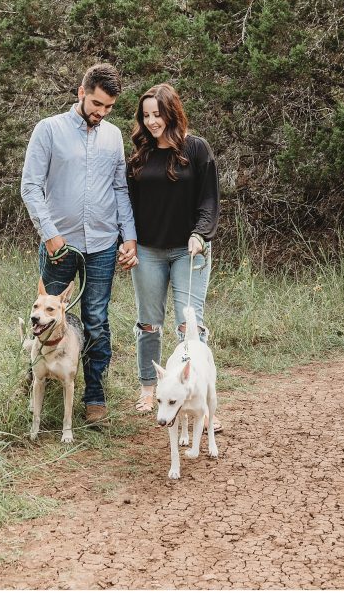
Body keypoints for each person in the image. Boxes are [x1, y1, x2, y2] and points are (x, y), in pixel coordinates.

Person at [21, 62, 138, 426]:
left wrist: (129, 236)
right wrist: (50, 234)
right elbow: (30, 186)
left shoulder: (113, 136)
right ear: (81, 92)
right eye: (97, 104)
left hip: (102, 244)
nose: (101, 112)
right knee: (46, 316)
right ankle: (36, 381)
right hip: (59, 246)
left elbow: (119, 189)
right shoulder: (49, 129)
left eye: (109, 107)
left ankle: (94, 397)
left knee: (96, 321)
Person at [126, 83, 220, 431]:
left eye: (157, 114)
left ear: (172, 113)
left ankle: (201, 401)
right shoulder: (139, 155)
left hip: (188, 248)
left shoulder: (196, 149)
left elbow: (209, 199)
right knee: (149, 324)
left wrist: (200, 233)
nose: (152, 122)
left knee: (189, 325)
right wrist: (127, 242)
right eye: (146, 116)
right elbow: (128, 205)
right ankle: (149, 390)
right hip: (148, 250)